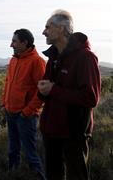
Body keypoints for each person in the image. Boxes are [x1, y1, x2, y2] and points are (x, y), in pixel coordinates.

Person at [37, 10, 101, 180]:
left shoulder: (85, 57)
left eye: (47, 27)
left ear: (61, 29)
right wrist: (42, 90)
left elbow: (90, 98)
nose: (44, 31)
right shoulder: (53, 57)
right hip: (51, 131)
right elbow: (48, 91)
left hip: (74, 133)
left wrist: (53, 90)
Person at [1, 28, 46, 179]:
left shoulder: (37, 61)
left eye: (14, 41)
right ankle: (13, 175)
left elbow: (42, 92)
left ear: (25, 42)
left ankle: (40, 176)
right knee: (13, 150)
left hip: (25, 116)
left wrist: (27, 112)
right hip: (10, 112)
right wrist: (4, 103)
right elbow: (7, 83)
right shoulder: (13, 60)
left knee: (30, 154)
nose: (11, 45)